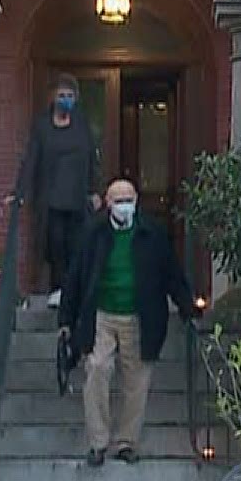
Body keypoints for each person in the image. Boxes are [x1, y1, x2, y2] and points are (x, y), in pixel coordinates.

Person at [59, 178, 200, 466]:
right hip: (101, 313)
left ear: (136, 201)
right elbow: (76, 277)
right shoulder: (93, 234)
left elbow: (171, 273)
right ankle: (98, 442)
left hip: (139, 315)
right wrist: (66, 318)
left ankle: (127, 441)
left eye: (129, 199)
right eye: (118, 200)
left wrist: (188, 307)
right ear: (108, 204)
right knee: (97, 368)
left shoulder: (152, 234)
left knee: (136, 379)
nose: (124, 205)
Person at [10, 73, 99, 309]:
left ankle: (75, 292)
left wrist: (94, 190)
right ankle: (58, 290)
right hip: (51, 199)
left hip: (77, 199)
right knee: (55, 245)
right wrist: (20, 192)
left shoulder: (82, 125)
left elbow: (92, 158)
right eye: (62, 95)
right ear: (53, 97)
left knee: (76, 246)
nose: (66, 100)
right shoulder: (42, 126)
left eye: (70, 96)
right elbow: (31, 160)